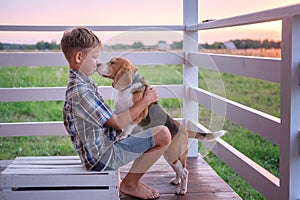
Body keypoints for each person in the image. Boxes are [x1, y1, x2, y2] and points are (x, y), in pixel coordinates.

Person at [61, 27, 171, 199]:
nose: (97, 63)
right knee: (163, 134)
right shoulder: (81, 91)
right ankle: (130, 184)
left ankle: (132, 181)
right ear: (79, 57)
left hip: (100, 150)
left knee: (152, 130)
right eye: (95, 57)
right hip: (103, 158)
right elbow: (117, 123)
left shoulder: (82, 84)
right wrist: (146, 101)